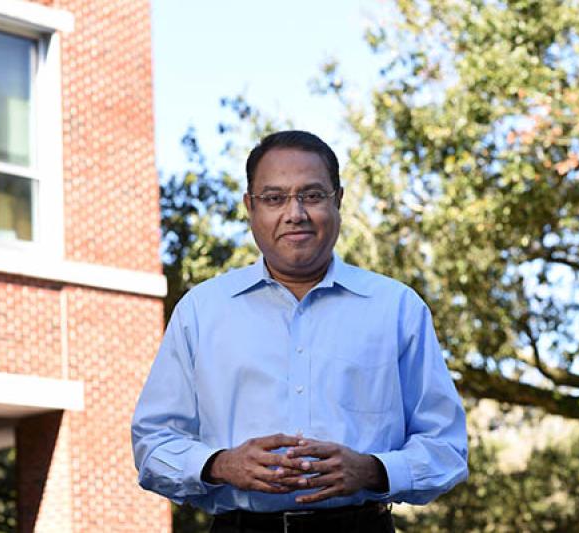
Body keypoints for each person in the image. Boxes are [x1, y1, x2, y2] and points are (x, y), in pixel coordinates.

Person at [132, 130, 468, 532]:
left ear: (338, 201)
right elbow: (153, 446)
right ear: (250, 208)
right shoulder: (201, 312)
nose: (295, 213)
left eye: (311, 196)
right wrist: (220, 464)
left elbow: (447, 448)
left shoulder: (397, 309)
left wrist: (373, 469)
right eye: (274, 198)